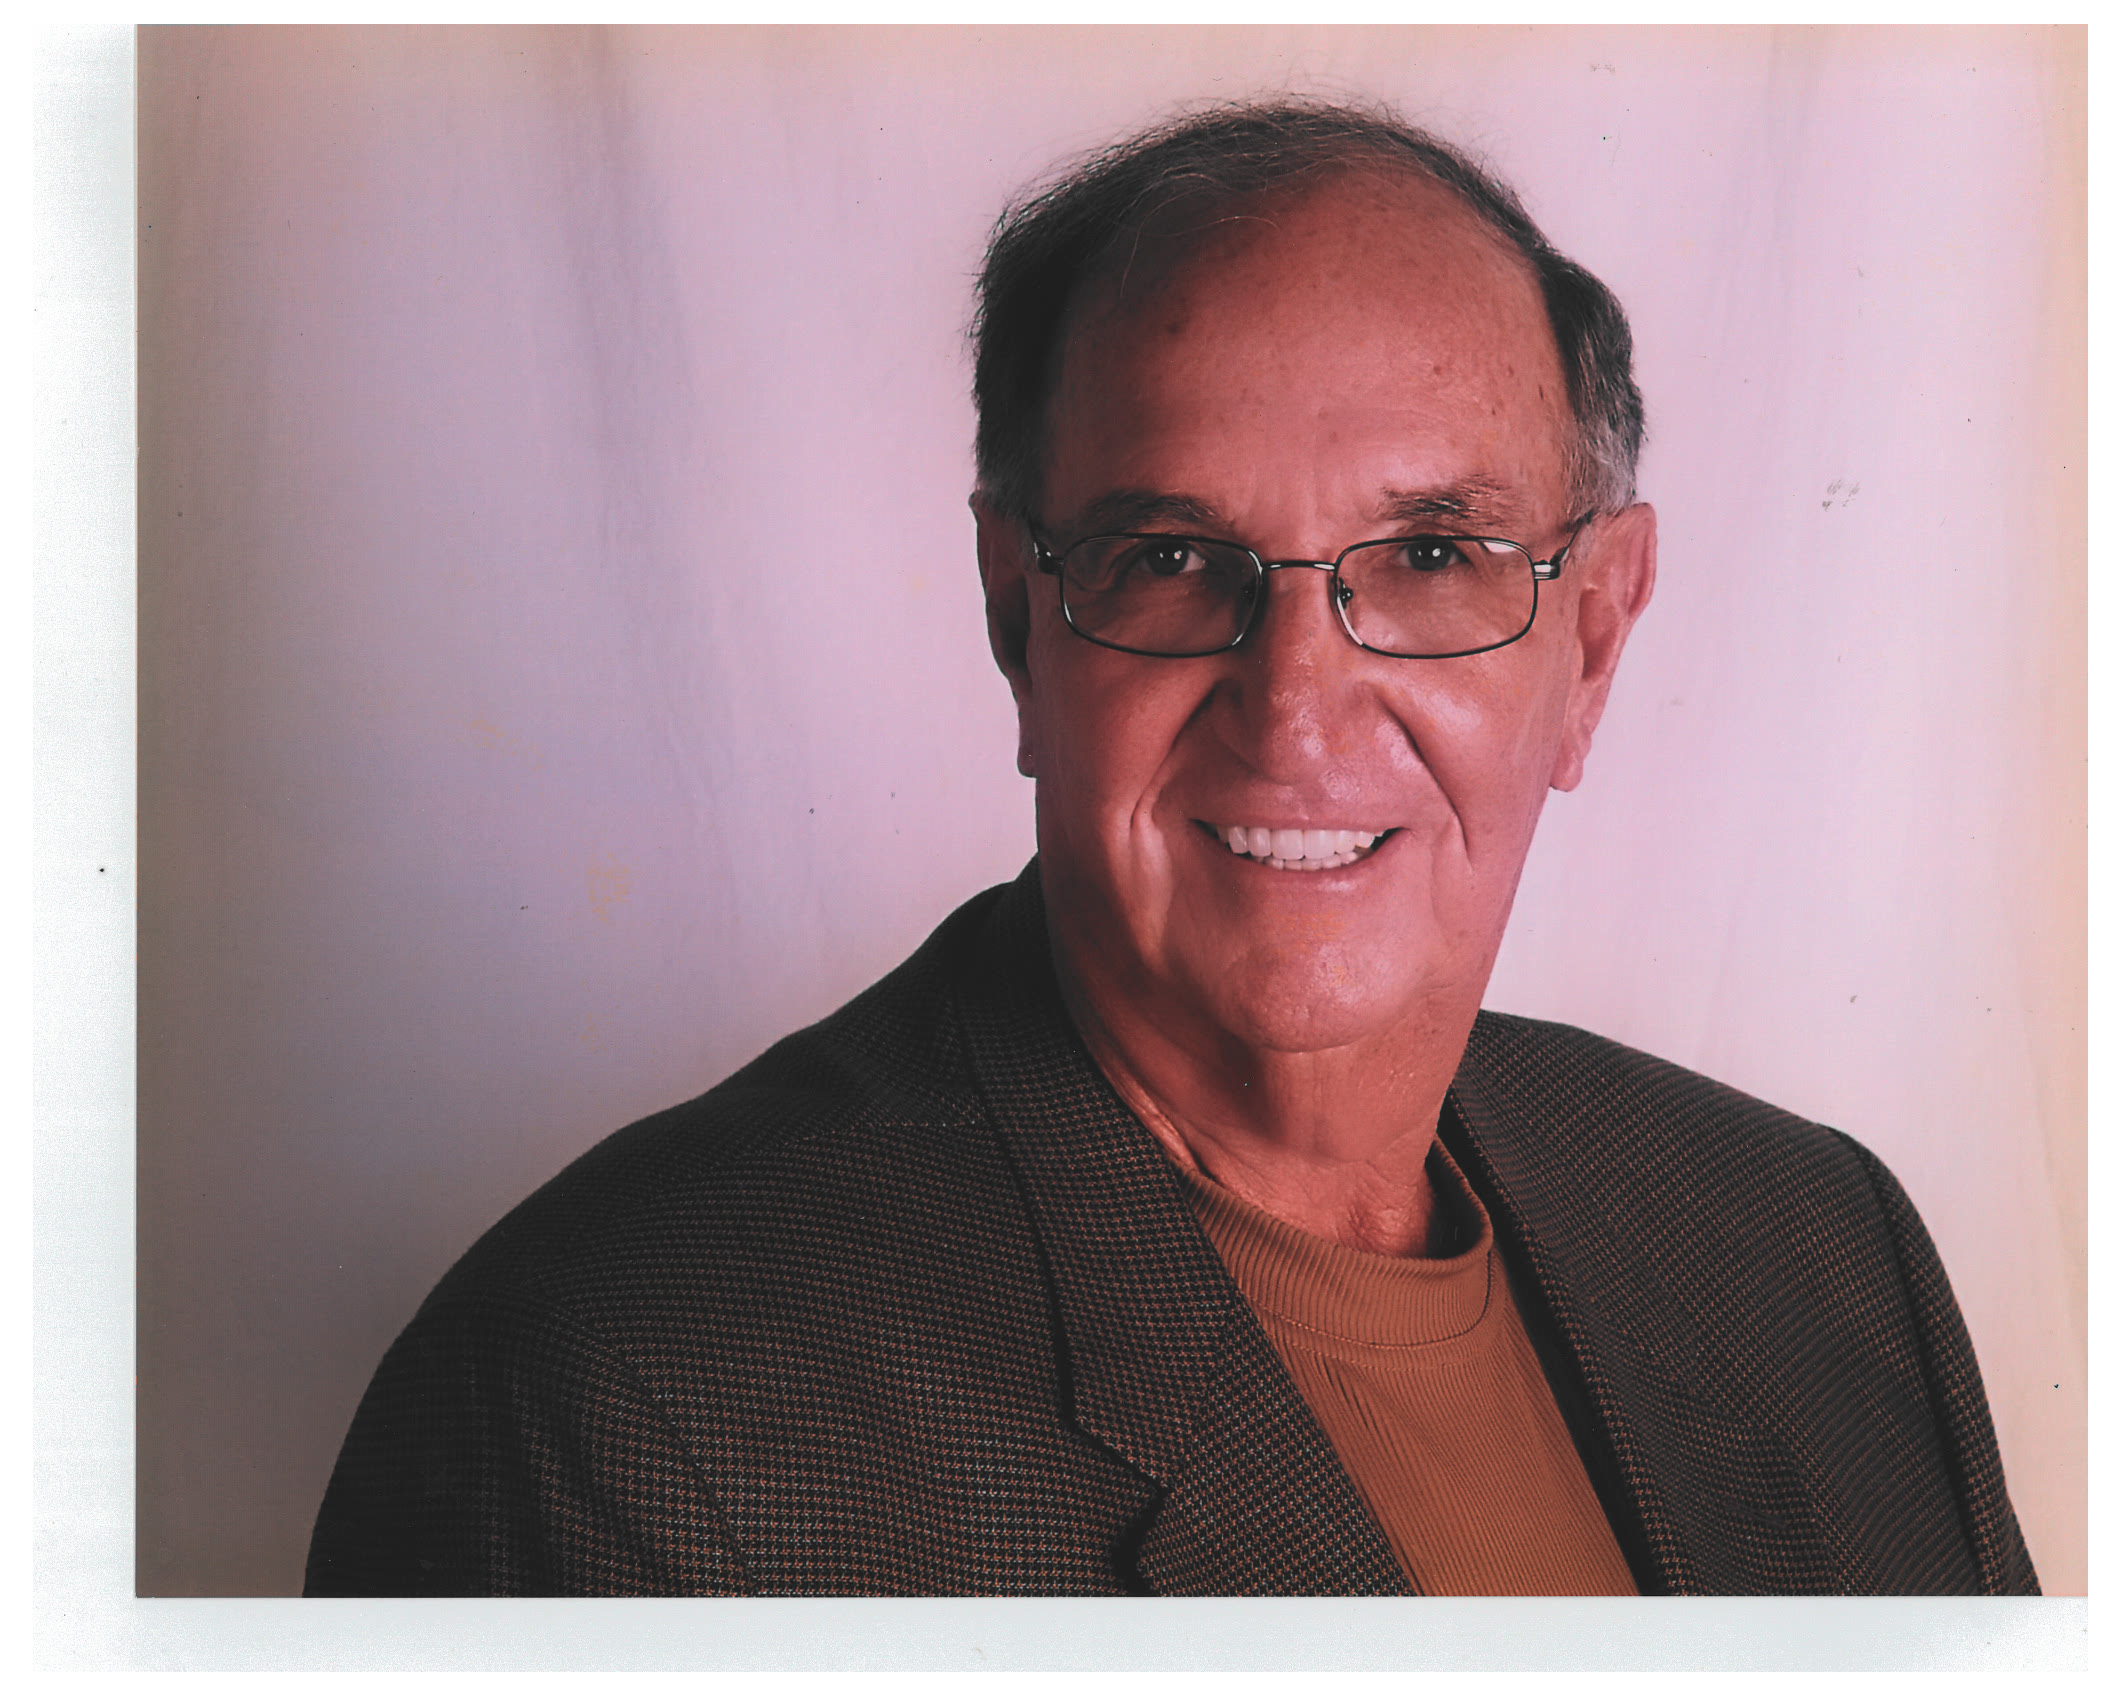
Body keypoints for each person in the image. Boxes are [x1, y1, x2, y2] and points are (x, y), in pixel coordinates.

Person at [304, 100, 2036, 1597]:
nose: (1295, 711)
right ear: (1018, 621)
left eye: (1433, 556)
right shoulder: (614, 1405)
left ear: (1593, 644)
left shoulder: (1814, 1244)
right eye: (1173, 560)